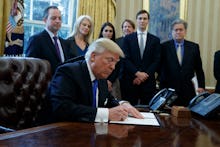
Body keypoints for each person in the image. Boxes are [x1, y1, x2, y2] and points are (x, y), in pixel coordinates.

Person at [46, 38, 143, 123]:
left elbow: (108, 100)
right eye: (110, 60)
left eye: (115, 63)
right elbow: (61, 108)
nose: (113, 67)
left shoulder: (101, 78)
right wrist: (106, 114)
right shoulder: (68, 72)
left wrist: (123, 104)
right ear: (93, 57)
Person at [160, 18, 205, 106]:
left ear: (185, 31)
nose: (178, 32)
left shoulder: (194, 47)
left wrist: (201, 86)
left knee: (187, 117)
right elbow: (161, 69)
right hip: (170, 90)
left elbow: (199, 69)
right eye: (176, 30)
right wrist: (163, 88)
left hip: (188, 90)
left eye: (181, 30)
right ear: (172, 32)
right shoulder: (164, 47)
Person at [121, 10, 161, 105]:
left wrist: (144, 75)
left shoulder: (155, 40)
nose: (142, 21)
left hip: (148, 83)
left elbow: (156, 60)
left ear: (148, 21)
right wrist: (137, 73)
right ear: (137, 20)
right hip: (131, 81)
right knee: (129, 112)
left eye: (145, 19)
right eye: (140, 18)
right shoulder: (128, 38)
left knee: (147, 112)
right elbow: (125, 59)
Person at [25, 6, 73, 75]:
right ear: (45, 20)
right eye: (53, 18)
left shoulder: (64, 43)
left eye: (60, 18)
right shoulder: (36, 40)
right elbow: (30, 66)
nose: (57, 21)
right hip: (44, 82)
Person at [98, 22, 121, 99]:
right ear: (102, 32)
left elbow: (117, 66)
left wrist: (110, 81)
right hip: (99, 79)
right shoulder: (96, 46)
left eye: (110, 31)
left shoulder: (116, 47)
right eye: (106, 30)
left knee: (114, 103)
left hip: (113, 80)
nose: (108, 33)